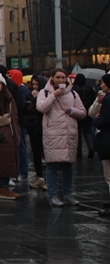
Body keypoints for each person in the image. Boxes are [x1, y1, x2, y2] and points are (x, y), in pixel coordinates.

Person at [37, 68, 86, 207]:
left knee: (68, 166)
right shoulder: (44, 92)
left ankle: (68, 194)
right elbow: (41, 108)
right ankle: (53, 195)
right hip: (53, 134)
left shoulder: (73, 94)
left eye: (63, 77)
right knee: (52, 165)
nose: (61, 80)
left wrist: (71, 110)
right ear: (52, 78)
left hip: (68, 133)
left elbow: (83, 112)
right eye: (58, 77)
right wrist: (54, 95)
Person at [0, 73, 21, 200]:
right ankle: (2, 186)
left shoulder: (9, 98)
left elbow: (15, 116)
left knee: (8, 159)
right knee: (1, 160)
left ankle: (3, 186)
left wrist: (16, 128)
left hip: (10, 132)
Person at [90, 74, 110, 217]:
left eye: (103, 83)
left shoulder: (108, 100)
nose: (101, 85)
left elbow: (104, 120)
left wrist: (97, 121)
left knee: (109, 175)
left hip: (108, 140)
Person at [72, 73, 96, 159]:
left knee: (77, 134)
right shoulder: (89, 89)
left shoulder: (73, 89)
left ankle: (78, 152)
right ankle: (91, 149)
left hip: (76, 114)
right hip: (87, 114)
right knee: (87, 132)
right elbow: (94, 100)